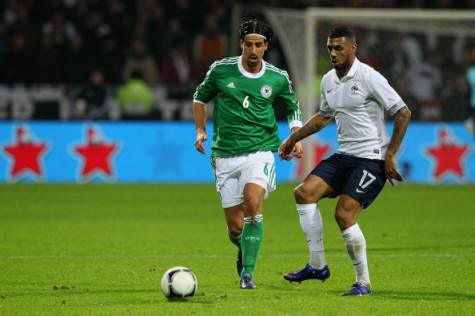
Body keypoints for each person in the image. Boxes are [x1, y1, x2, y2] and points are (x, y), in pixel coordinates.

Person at [279, 26, 411, 296]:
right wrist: (292, 139)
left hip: (371, 160)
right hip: (345, 156)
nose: (333, 53)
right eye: (329, 48)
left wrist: (390, 154)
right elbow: (324, 116)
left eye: (339, 48)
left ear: (353, 48)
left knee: (344, 213)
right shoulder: (328, 79)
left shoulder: (368, 77)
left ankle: (363, 283)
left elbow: (403, 112)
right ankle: (317, 265)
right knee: (303, 194)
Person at [192, 19, 303, 289]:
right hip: (225, 154)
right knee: (236, 228)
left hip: (261, 150)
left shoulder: (278, 77)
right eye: (249, 44)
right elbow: (199, 97)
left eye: (259, 45)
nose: (253, 50)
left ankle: (248, 275)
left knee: (253, 202)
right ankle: (244, 248)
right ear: (241, 44)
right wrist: (199, 130)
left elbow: (292, 107)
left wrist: (295, 135)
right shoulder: (221, 70)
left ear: (266, 47)